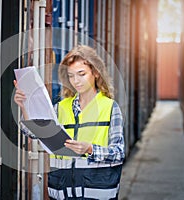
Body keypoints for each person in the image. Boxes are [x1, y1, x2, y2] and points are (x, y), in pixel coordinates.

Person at [14, 45, 125, 200]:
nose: (76, 81)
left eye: (81, 74)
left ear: (96, 73)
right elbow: (33, 132)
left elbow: (118, 154)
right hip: (61, 192)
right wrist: (25, 107)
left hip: (96, 193)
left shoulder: (110, 108)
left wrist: (90, 149)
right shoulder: (60, 108)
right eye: (71, 76)